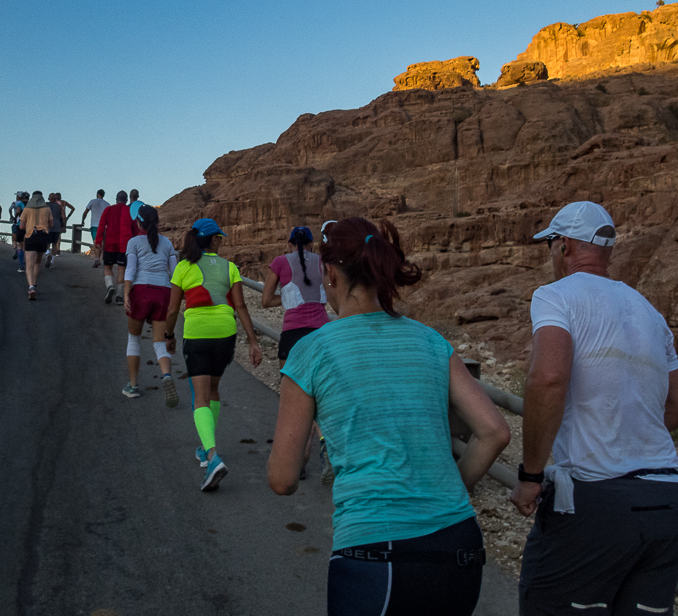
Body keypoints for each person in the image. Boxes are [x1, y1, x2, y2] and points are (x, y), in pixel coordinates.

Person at [268, 216, 510, 616]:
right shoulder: (431, 340)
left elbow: (282, 479)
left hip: (376, 554)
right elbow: (495, 432)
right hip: (459, 548)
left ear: (329, 273)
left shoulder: (311, 351)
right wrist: (451, 490)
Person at [509, 201, 678, 616]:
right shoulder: (650, 312)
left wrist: (530, 476)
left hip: (595, 503)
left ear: (565, 247)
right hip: (666, 500)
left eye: (551, 245)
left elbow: (548, 379)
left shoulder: (556, 296)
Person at [165, 218, 264, 491]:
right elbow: (241, 306)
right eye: (219, 238)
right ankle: (204, 447)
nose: (221, 241)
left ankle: (211, 456)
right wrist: (253, 341)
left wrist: (169, 336)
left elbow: (173, 310)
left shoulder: (183, 267)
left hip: (197, 333)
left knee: (200, 397)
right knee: (214, 390)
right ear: (213, 240)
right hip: (225, 333)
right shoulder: (230, 267)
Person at [261, 225, 330, 481]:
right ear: (311, 245)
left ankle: (297, 462)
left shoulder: (280, 262)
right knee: (321, 396)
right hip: (322, 334)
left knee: (295, 400)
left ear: (289, 244)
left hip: (293, 337)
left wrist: (289, 300)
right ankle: (324, 442)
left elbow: (266, 300)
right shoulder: (323, 262)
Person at [121, 205, 179, 404]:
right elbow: (175, 273)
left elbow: (131, 270)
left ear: (138, 223)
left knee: (133, 339)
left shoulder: (134, 242)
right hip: (163, 292)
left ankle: (133, 385)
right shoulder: (167, 244)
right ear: (158, 222)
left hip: (141, 290)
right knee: (159, 343)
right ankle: (167, 376)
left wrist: (127, 293)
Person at [96, 190, 135, 303]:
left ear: (116, 199)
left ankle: (110, 286)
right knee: (122, 269)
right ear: (126, 200)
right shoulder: (130, 211)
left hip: (110, 243)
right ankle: (119, 296)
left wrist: (98, 241)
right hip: (125, 244)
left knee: (108, 267)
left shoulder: (108, 209)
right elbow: (135, 228)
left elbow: (101, 225)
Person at [19, 191, 52, 300]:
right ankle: (35, 284)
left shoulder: (27, 209)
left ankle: (31, 287)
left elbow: (21, 226)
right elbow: (51, 224)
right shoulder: (47, 209)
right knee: (38, 262)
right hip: (43, 236)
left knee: (29, 264)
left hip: (30, 236)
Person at [82, 189, 109, 267]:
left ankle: (97, 259)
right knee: (103, 241)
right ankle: (101, 258)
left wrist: (82, 220)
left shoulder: (92, 202)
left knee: (96, 241)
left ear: (97, 194)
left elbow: (85, 212)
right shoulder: (107, 204)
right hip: (104, 225)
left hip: (95, 224)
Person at [43, 192, 67, 269]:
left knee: (47, 242)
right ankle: (52, 261)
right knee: (54, 243)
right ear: (56, 199)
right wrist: (64, 226)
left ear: (49, 199)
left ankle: (47, 253)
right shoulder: (59, 207)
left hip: (48, 225)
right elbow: (63, 217)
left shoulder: (46, 205)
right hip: (57, 226)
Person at [9, 192, 27, 268]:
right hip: (28, 225)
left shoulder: (17, 203)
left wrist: (13, 217)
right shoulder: (30, 205)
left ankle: (21, 263)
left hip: (19, 224)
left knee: (19, 243)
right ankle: (26, 260)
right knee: (25, 244)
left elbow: (12, 210)